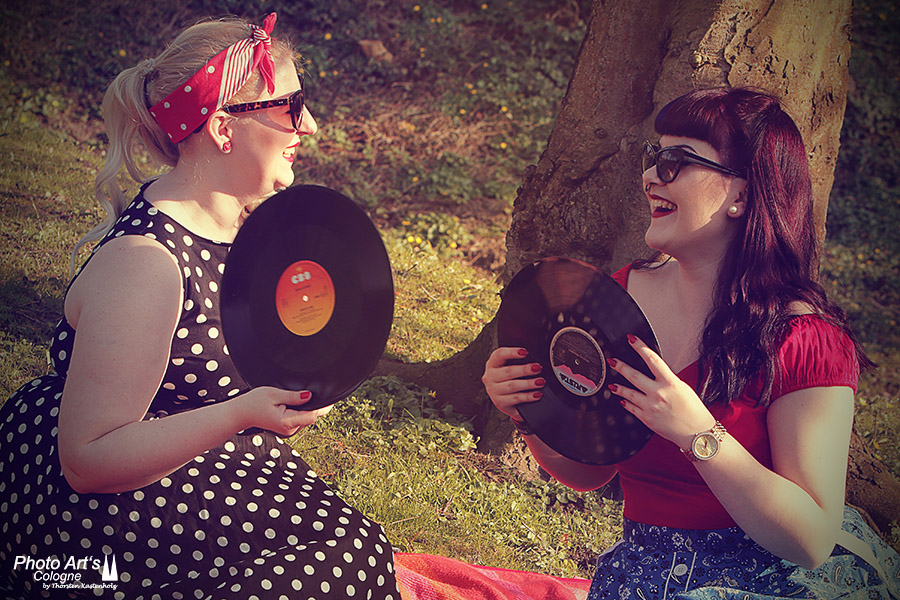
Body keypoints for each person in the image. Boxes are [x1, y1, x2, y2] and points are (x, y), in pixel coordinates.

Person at [0, 14, 399, 599]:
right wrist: (244, 413)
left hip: (197, 458)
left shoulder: (248, 229)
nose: (309, 125)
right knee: (338, 564)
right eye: (290, 107)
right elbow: (87, 462)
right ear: (223, 127)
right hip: (93, 519)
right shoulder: (146, 266)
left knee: (353, 550)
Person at [483, 87, 900, 599]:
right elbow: (590, 471)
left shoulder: (804, 339)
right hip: (642, 575)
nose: (650, 176)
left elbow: (810, 540)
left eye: (677, 161)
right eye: (654, 156)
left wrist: (698, 433)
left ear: (742, 194)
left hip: (776, 581)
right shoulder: (617, 299)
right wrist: (525, 414)